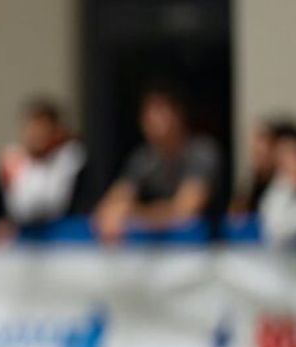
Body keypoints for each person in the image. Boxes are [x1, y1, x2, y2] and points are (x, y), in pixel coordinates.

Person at [93, 86, 223, 244]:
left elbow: (185, 211)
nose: (154, 120)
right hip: (160, 251)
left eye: (161, 112)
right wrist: (111, 214)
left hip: (208, 248)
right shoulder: (143, 158)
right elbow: (112, 203)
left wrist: (132, 213)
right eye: (148, 114)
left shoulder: (202, 152)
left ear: (178, 115)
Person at [0, 97, 89, 243]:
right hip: (21, 245)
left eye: (42, 129)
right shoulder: (12, 162)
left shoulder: (70, 162)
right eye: (32, 128)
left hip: (64, 243)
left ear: (56, 131)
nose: (36, 135)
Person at [258, 121, 296, 247]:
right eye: (282, 161)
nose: (289, 166)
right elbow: (272, 228)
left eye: (294, 158)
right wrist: (287, 187)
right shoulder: (280, 187)